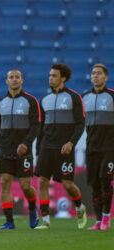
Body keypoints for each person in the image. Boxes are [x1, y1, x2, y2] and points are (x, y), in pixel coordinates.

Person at [34, 63, 87, 229]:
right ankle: (45, 221)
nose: (50, 78)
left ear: (63, 78)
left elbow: (80, 124)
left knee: (67, 184)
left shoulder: (73, 98)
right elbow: (40, 128)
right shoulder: (44, 100)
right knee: (42, 181)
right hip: (46, 147)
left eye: (54, 76)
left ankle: (80, 207)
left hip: (64, 149)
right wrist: (37, 151)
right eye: (50, 75)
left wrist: (71, 143)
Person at [0, 69, 40, 229]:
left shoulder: (30, 101)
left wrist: (26, 143)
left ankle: (32, 207)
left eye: (17, 77)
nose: (14, 79)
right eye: (11, 77)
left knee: (25, 186)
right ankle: (9, 221)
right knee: (5, 182)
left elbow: (36, 126)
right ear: (6, 81)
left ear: (22, 80)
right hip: (5, 150)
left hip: (23, 150)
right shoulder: (0, 103)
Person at [82, 64, 114, 230]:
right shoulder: (85, 97)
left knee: (105, 179)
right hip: (91, 147)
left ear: (106, 77)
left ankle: (107, 218)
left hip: (109, 147)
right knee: (94, 184)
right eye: (93, 73)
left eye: (99, 73)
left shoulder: (112, 96)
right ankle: (99, 220)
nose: (95, 76)